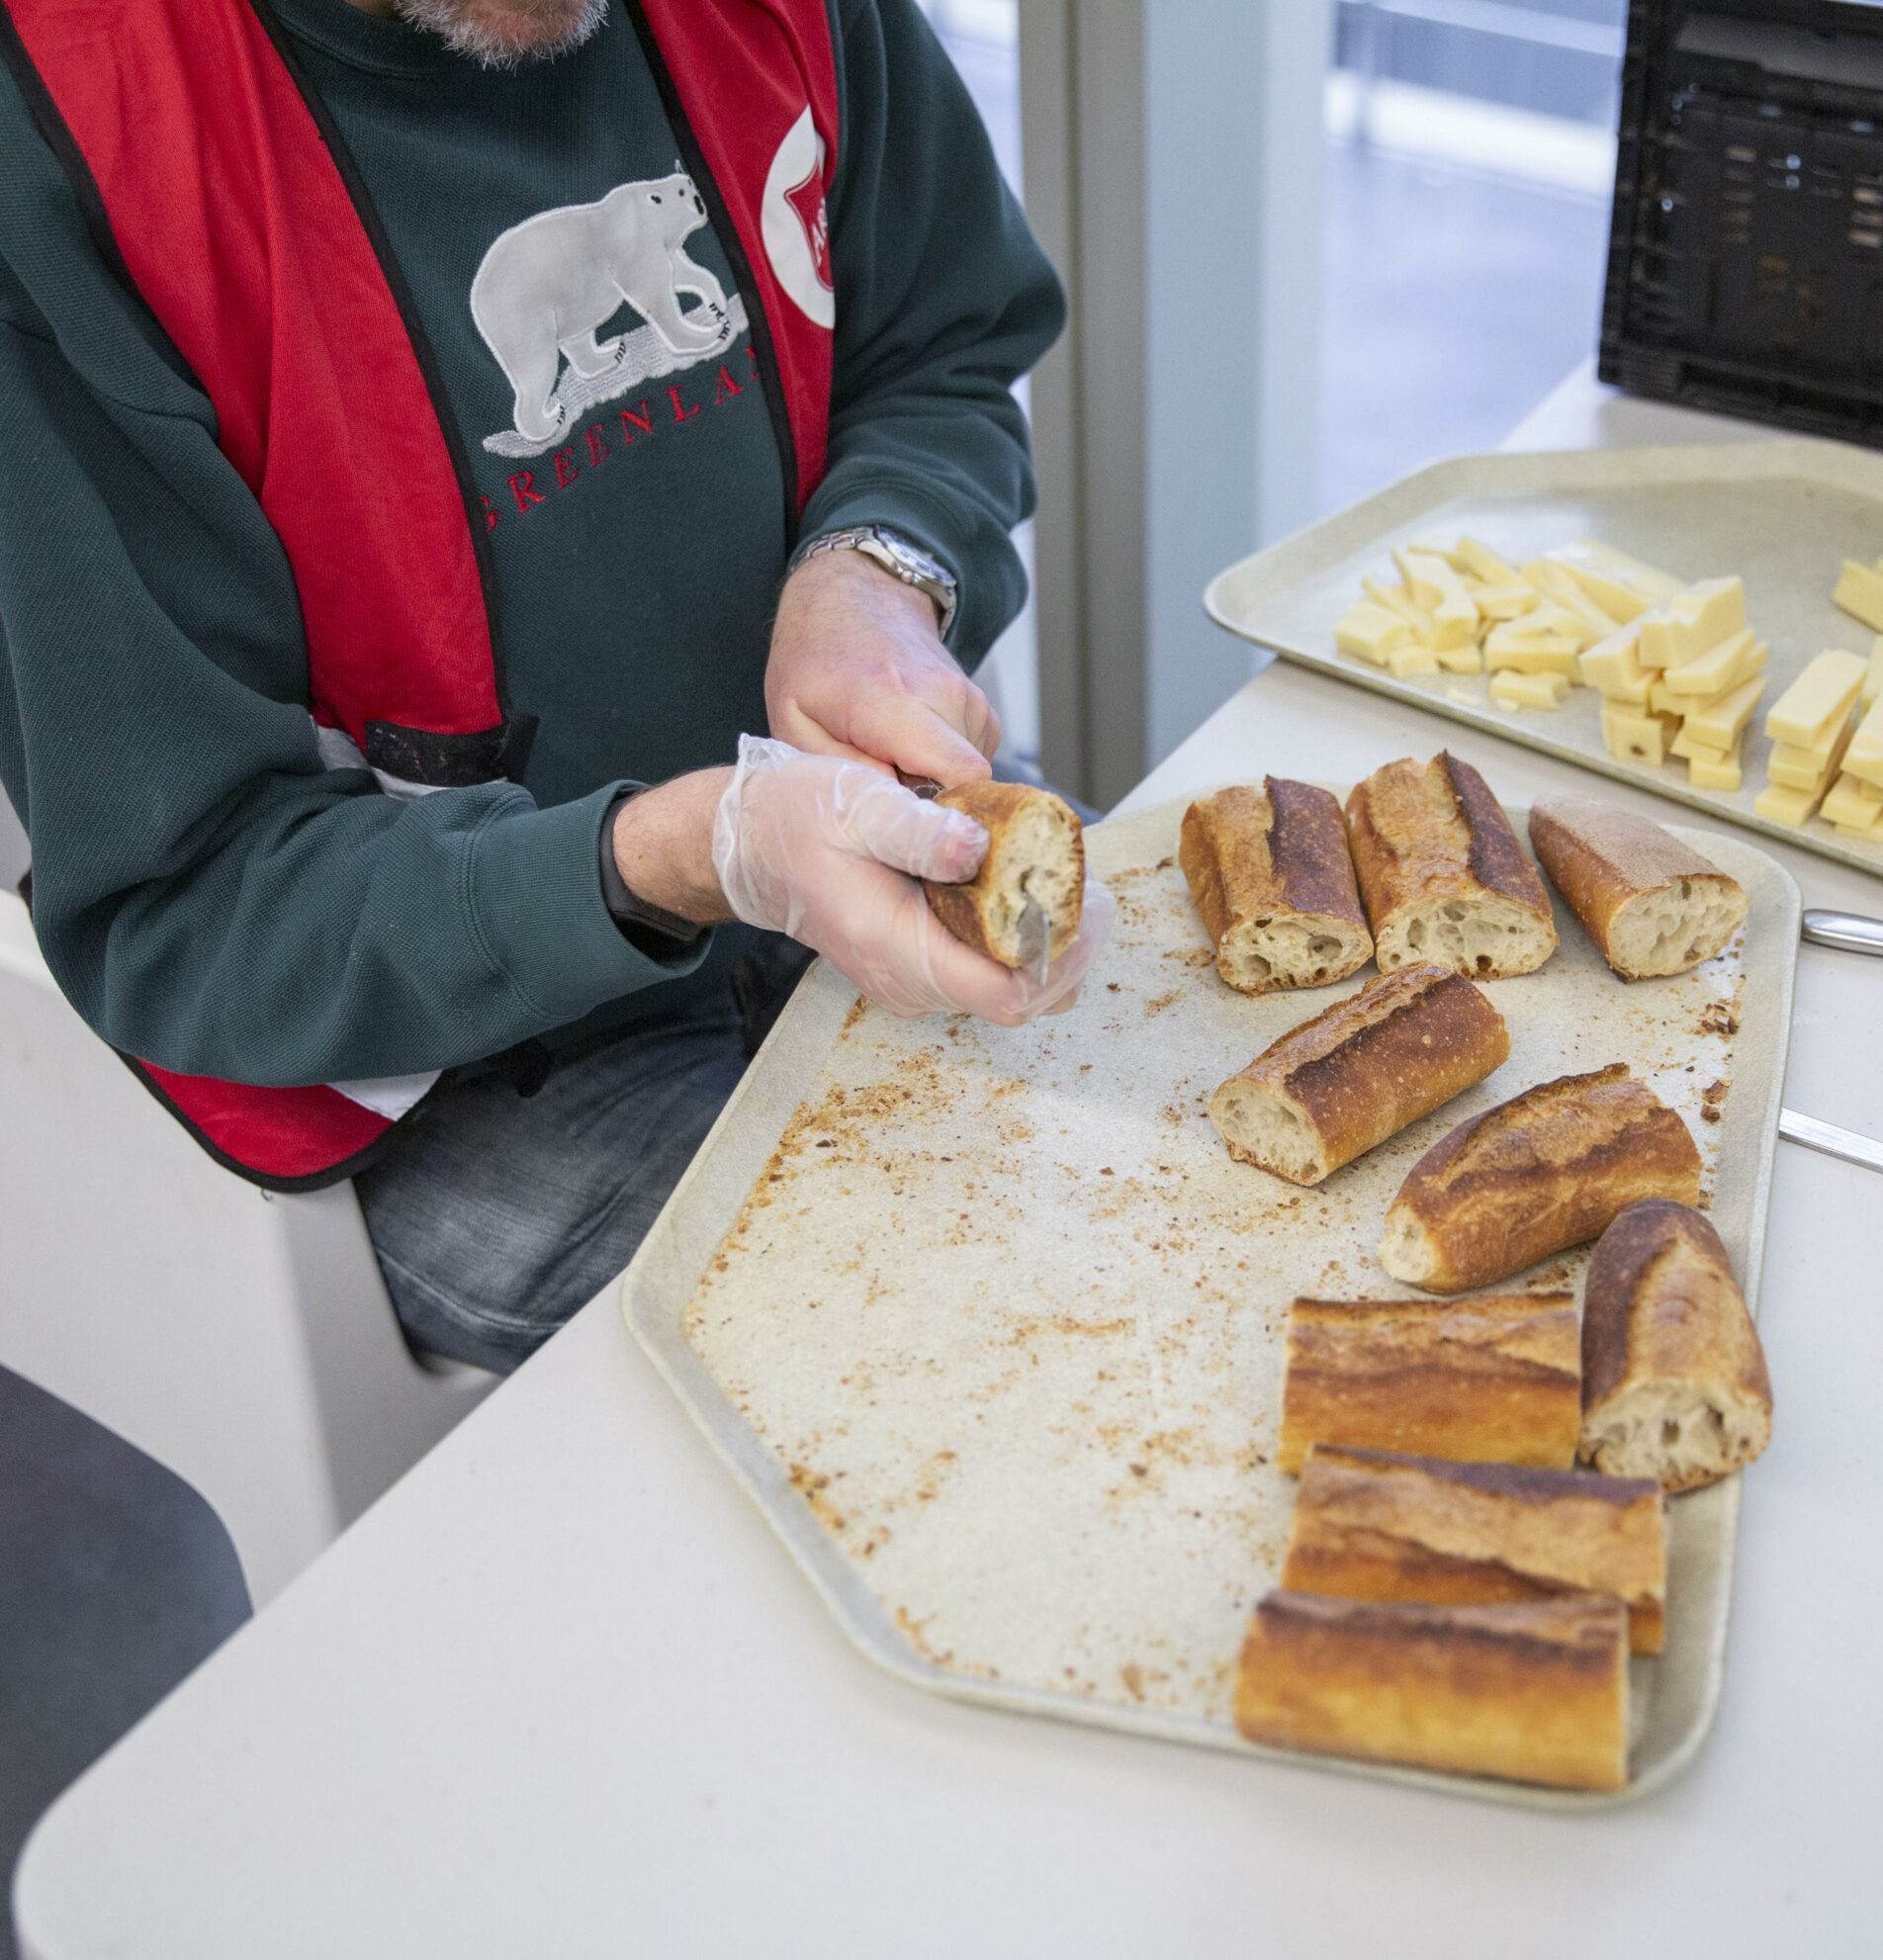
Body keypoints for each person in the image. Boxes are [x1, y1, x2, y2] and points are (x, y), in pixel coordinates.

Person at [0, 0, 1106, 1373]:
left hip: (853, 872)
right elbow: (188, 902)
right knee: (982, 1362)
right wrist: (685, 855)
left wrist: (874, 568)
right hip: (461, 1062)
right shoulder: (70, 132)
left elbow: (941, 340)